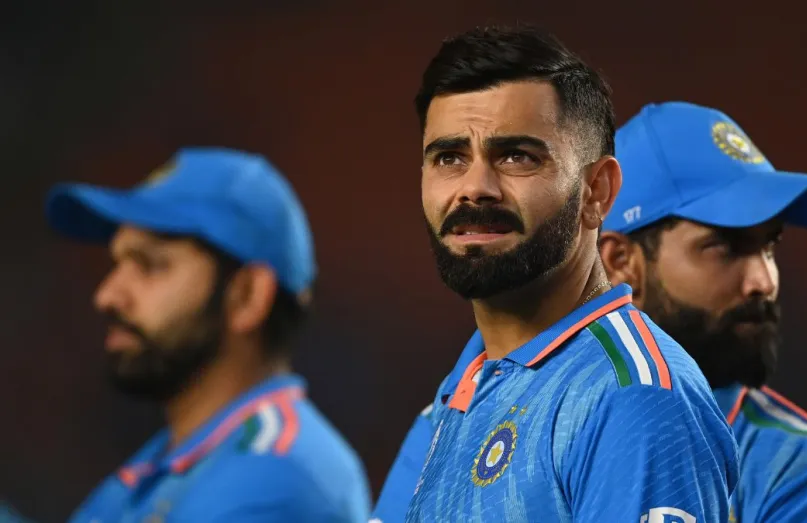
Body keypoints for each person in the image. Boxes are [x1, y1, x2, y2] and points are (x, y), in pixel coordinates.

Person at [386, 26, 738, 523]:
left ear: (597, 191)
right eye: (449, 157)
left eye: (517, 156)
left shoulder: (634, 398)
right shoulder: (455, 397)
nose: (475, 187)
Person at [46, 148, 371, 523]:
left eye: (149, 265)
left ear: (247, 296)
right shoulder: (162, 466)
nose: (106, 295)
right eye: (117, 263)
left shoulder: (277, 479)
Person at [597, 101, 807, 521]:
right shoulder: (527, 422)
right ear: (621, 264)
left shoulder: (805, 473)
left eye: (769, 247)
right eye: (724, 247)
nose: (764, 281)